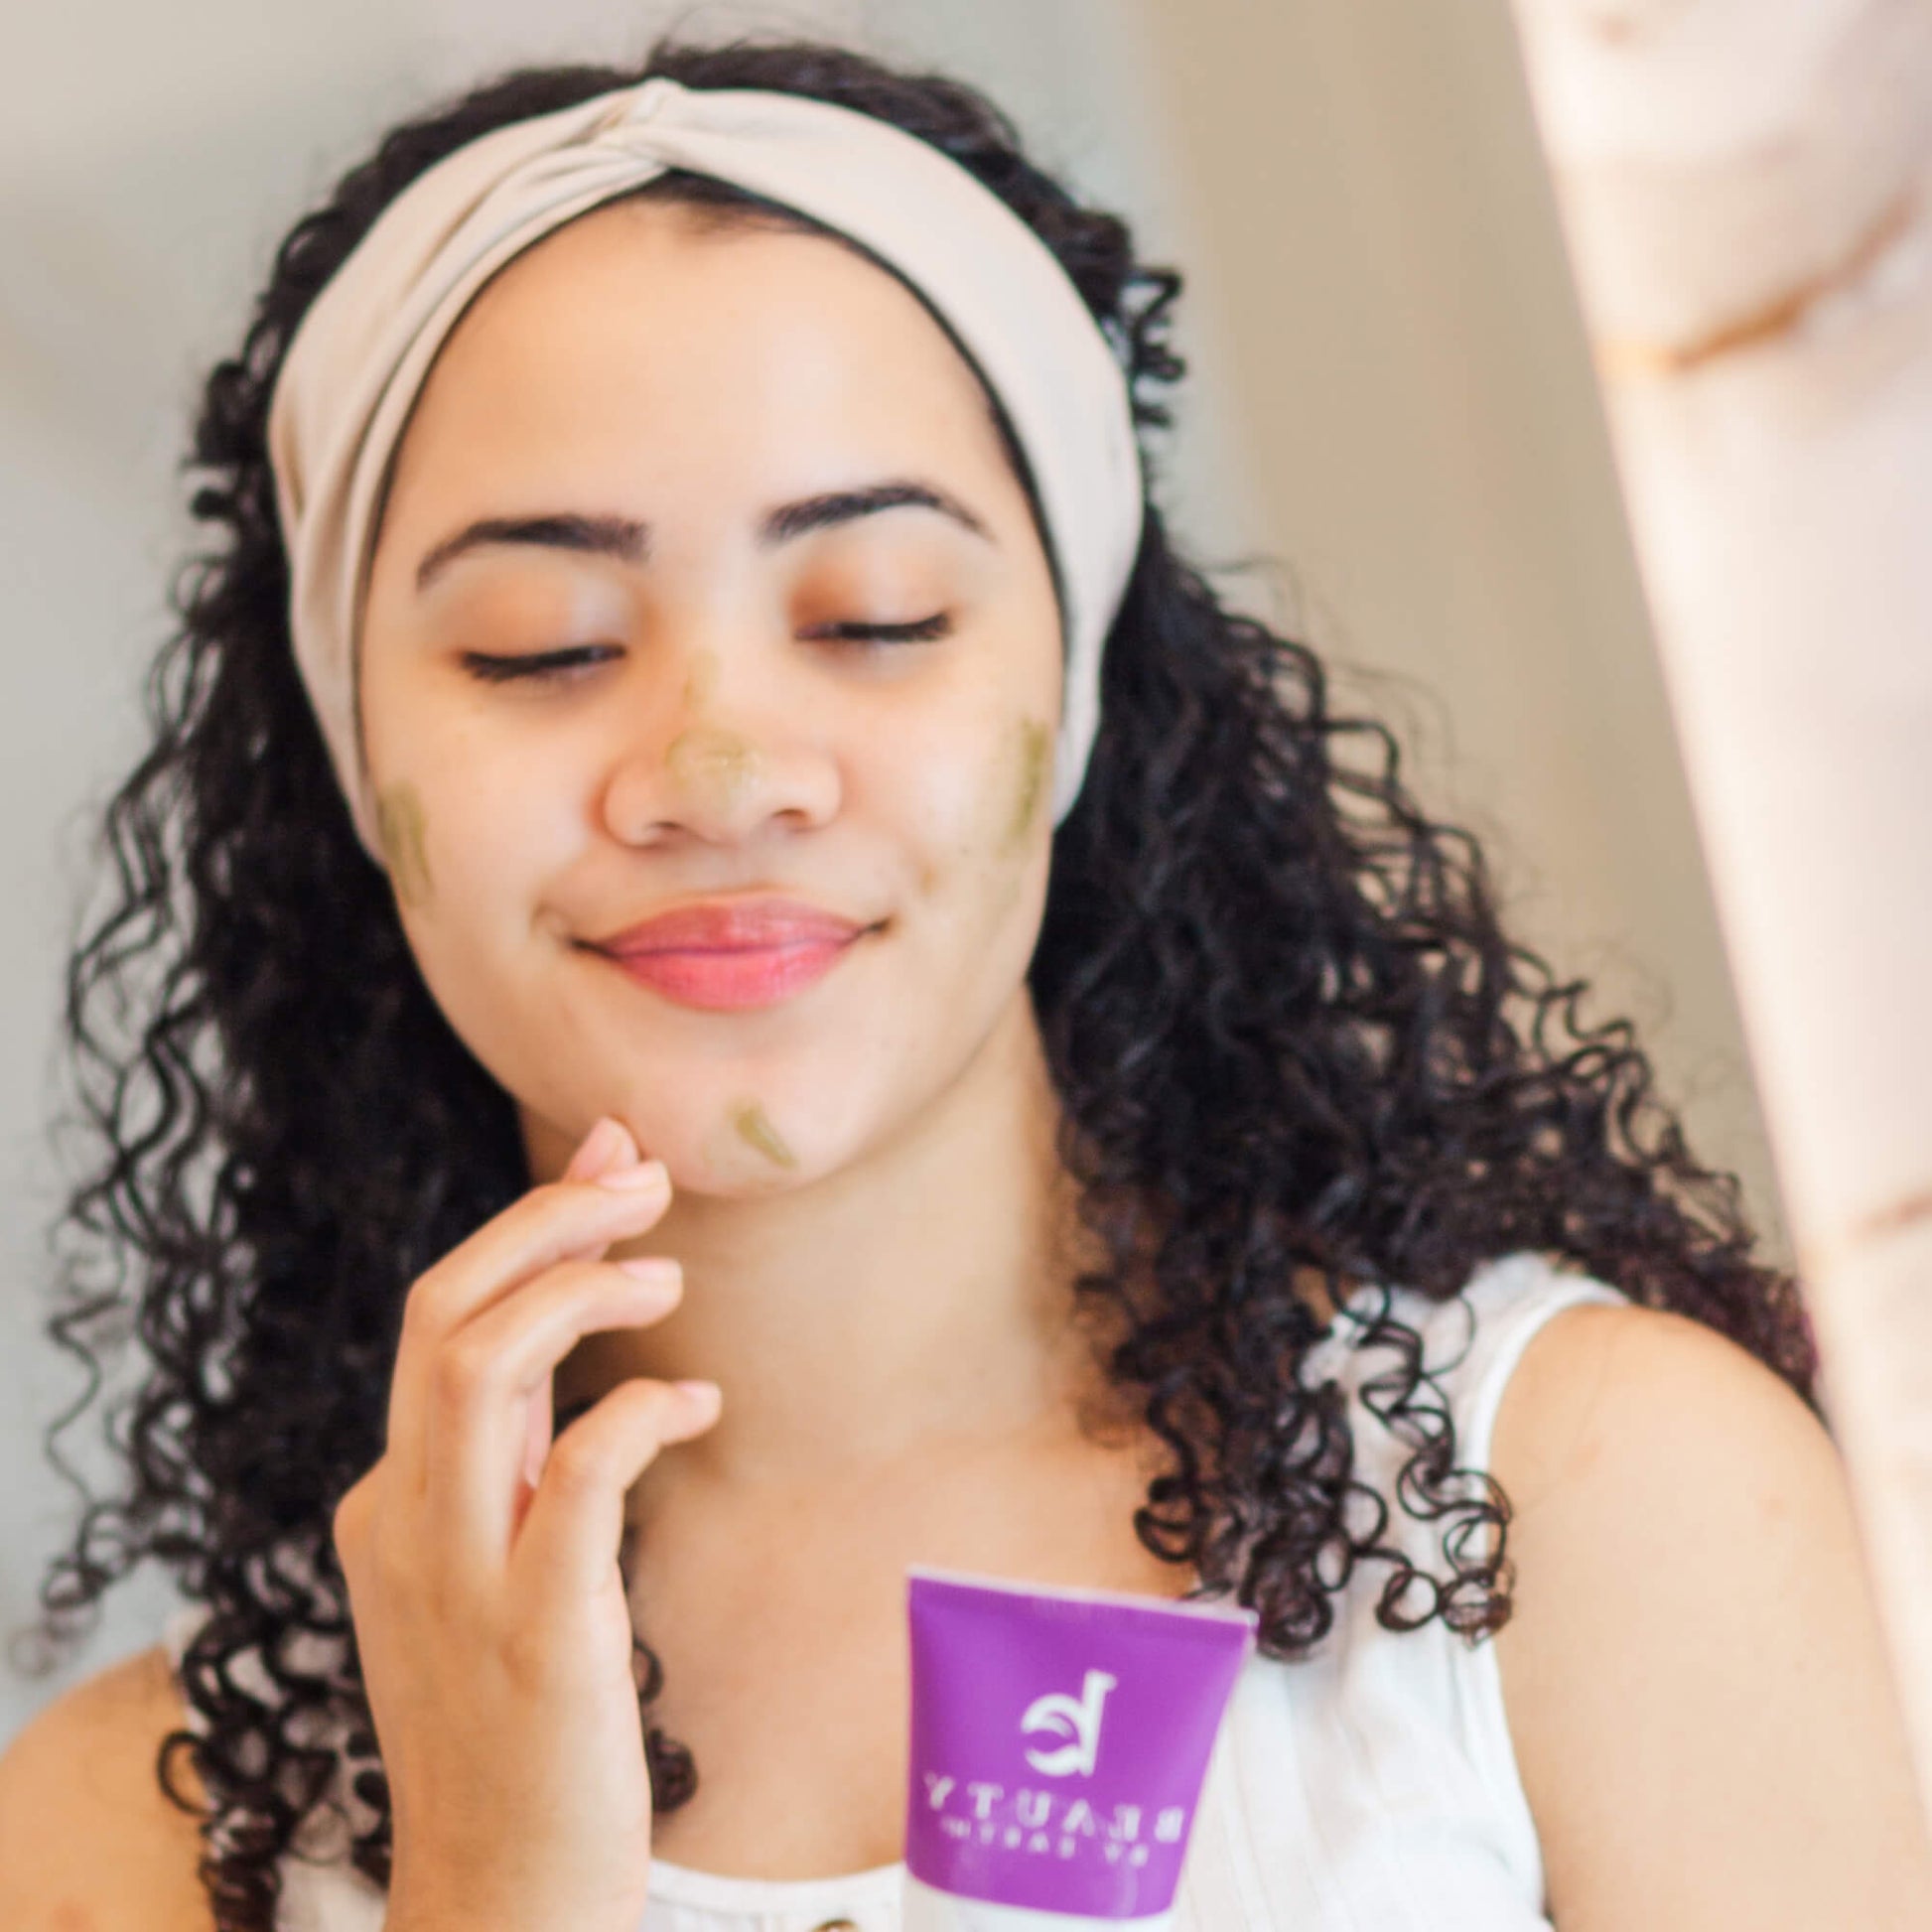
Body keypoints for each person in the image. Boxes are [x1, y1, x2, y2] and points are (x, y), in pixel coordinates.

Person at [2, 31, 1927, 1932]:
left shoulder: (1584, 1507)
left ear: (1076, 689)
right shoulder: (121, 1836)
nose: (722, 768)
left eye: (875, 617)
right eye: (541, 643)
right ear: (355, 762)